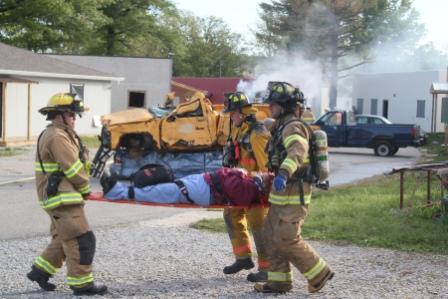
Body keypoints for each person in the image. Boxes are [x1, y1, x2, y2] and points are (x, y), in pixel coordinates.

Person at [254, 82, 334, 294]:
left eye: (273, 104)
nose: (270, 108)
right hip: (281, 194)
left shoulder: (293, 127)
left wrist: (283, 173)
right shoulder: (280, 126)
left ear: (285, 106)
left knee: (286, 238)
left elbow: (298, 151)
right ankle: (279, 282)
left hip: (294, 190)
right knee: (270, 235)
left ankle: (319, 273)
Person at [27, 93, 107, 296]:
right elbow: (72, 168)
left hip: (63, 197)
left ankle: (40, 271)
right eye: (72, 114)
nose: (75, 118)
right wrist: (86, 188)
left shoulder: (63, 133)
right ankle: (82, 285)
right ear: (59, 115)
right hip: (62, 198)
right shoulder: (57, 136)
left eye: (75, 114)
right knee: (82, 239)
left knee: (64, 238)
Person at [221, 92, 270, 282]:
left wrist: (265, 187)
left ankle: (267, 268)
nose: (230, 116)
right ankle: (243, 258)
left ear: (243, 112)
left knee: (259, 226)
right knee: (230, 215)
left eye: (232, 113)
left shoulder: (258, 133)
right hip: (239, 185)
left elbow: (266, 166)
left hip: (256, 188)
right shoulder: (237, 129)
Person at [102, 167, 272, 207]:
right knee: (163, 188)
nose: (263, 172)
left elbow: (230, 186)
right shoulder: (250, 185)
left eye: (264, 174)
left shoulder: (250, 189)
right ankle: (120, 187)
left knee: (161, 192)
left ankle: (117, 191)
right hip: (203, 185)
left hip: (203, 190)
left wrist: (236, 173)